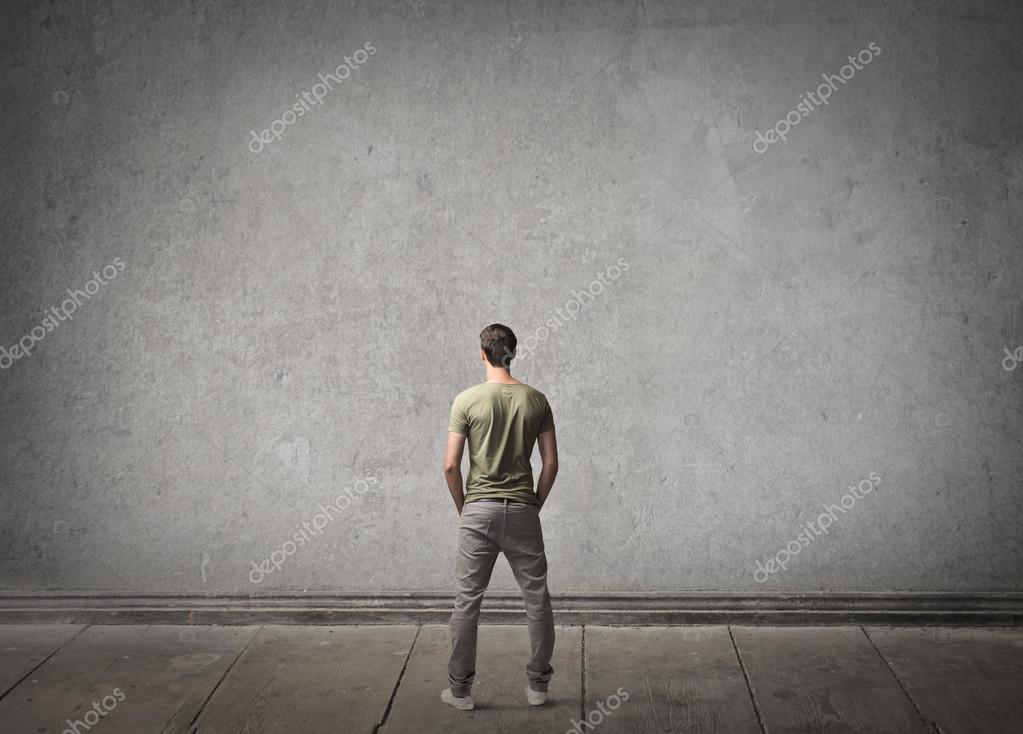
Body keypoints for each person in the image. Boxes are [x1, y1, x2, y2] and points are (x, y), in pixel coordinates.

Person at [440, 323, 559, 711]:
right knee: (536, 599)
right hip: (524, 509)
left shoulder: (466, 401)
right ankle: (538, 687)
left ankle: (460, 692)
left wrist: (466, 508)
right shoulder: (537, 400)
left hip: (479, 511)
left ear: (483, 353)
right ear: (513, 352)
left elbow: (450, 467)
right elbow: (552, 464)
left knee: (467, 602)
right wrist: (533, 504)